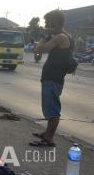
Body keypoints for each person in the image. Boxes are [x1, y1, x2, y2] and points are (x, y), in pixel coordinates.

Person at [30, 10, 72, 147]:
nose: (47, 26)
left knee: (52, 110)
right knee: (50, 107)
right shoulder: (67, 36)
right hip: (54, 77)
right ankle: (47, 134)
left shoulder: (60, 37)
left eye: (48, 24)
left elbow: (39, 49)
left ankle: (49, 139)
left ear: (55, 23)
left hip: (53, 78)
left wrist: (44, 36)